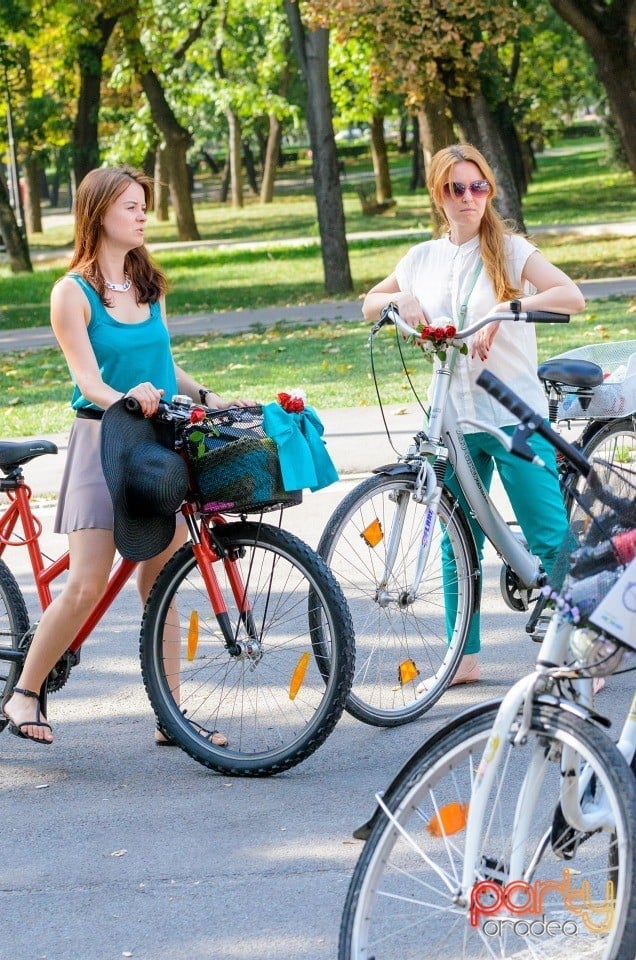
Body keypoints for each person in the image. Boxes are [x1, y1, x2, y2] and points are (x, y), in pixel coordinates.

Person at [1, 164, 253, 745]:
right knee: (88, 582)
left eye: (144, 205)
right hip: (104, 440)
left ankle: (172, 715)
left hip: (158, 443)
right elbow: (88, 380)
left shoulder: (149, 285)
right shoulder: (72, 293)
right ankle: (24, 692)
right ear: (99, 215)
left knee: (160, 578)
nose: (142, 215)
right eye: (130, 207)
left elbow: (162, 364)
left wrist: (206, 395)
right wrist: (128, 399)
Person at [362, 143, 586, 687]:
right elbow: (370, 302)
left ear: (490, 189)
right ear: (439, 196)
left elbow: (572, 295)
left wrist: (508, 307)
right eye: (456, 188)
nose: (469, 198)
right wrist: (401, 304)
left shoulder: (510, 251)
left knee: (548, 534)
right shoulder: (421, 259)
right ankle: (463, 654)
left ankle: (580, 647)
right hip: (452, 419)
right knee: (455, 536)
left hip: (512, 413)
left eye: (478, 186)